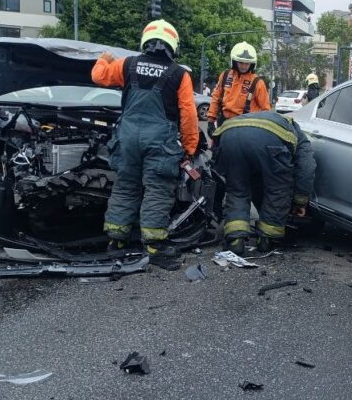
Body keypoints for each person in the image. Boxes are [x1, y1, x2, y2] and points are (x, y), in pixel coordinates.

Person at [91, 19, 198, 270]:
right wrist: (190, 148)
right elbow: (189, 115)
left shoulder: (127, 64)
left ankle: (116, 240)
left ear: (145, 41)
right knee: (157, 189)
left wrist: (104, 58)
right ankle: (153, 245)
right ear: (173, 44)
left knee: (126, 185)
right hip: (160, 140)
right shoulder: (180, 74)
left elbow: (98, 76)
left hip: (127, 136)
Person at [213, 110, 316, 254]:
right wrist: (300, 201)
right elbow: (307, 167)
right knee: (277, 190)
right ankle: (267, 238)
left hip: (229, 135)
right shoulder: (299, 136)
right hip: (266, 141)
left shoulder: (270, 119)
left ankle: (236, 240)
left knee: (237, 191)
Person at [207, 41, 271, 127]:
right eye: (241, 62)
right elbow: (216, 98)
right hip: (223, 123)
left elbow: (266, 109)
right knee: (215, 140)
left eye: (247, 63)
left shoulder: (257, 82)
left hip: (246, 126)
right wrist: (210, 121)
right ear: (234, 61)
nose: (244, 66)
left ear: (252, 64)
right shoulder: (225, 75)